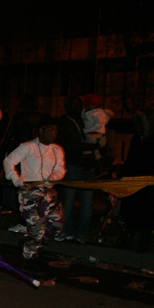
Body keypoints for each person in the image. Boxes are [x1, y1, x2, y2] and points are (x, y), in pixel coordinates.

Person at [3, 117, 66, 270]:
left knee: (56, 226)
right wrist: (16, 178)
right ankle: (30, 259)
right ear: (41, 130)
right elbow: (9, 161)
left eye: (56, 130)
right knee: (37, 227)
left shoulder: (57, 150)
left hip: (49, 192)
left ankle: (30, 244)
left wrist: (53, 178)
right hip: (30, 192)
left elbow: (61, 169)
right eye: (51, 129)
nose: (54, 133)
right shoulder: (28, 146)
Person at [118, 111, 154, 252]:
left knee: (146, 217)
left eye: (139, 123)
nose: (137, 126)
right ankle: (128, 240)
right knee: (133, 215)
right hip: (135, 184)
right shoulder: (137, 138)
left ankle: (143, 245)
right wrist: (122, 177)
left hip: (150, 186)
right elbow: (131, 160)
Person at [56, 95, 99, 243]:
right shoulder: (67, 122)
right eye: (74, 105)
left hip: (86, 166)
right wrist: (94, 146)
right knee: (69, 201)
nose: (77, 108)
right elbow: (73, 144)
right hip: (74, 165)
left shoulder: (83, 120)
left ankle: (82, 232)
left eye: (79, 105)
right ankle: (67, 230)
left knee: (86, 202)